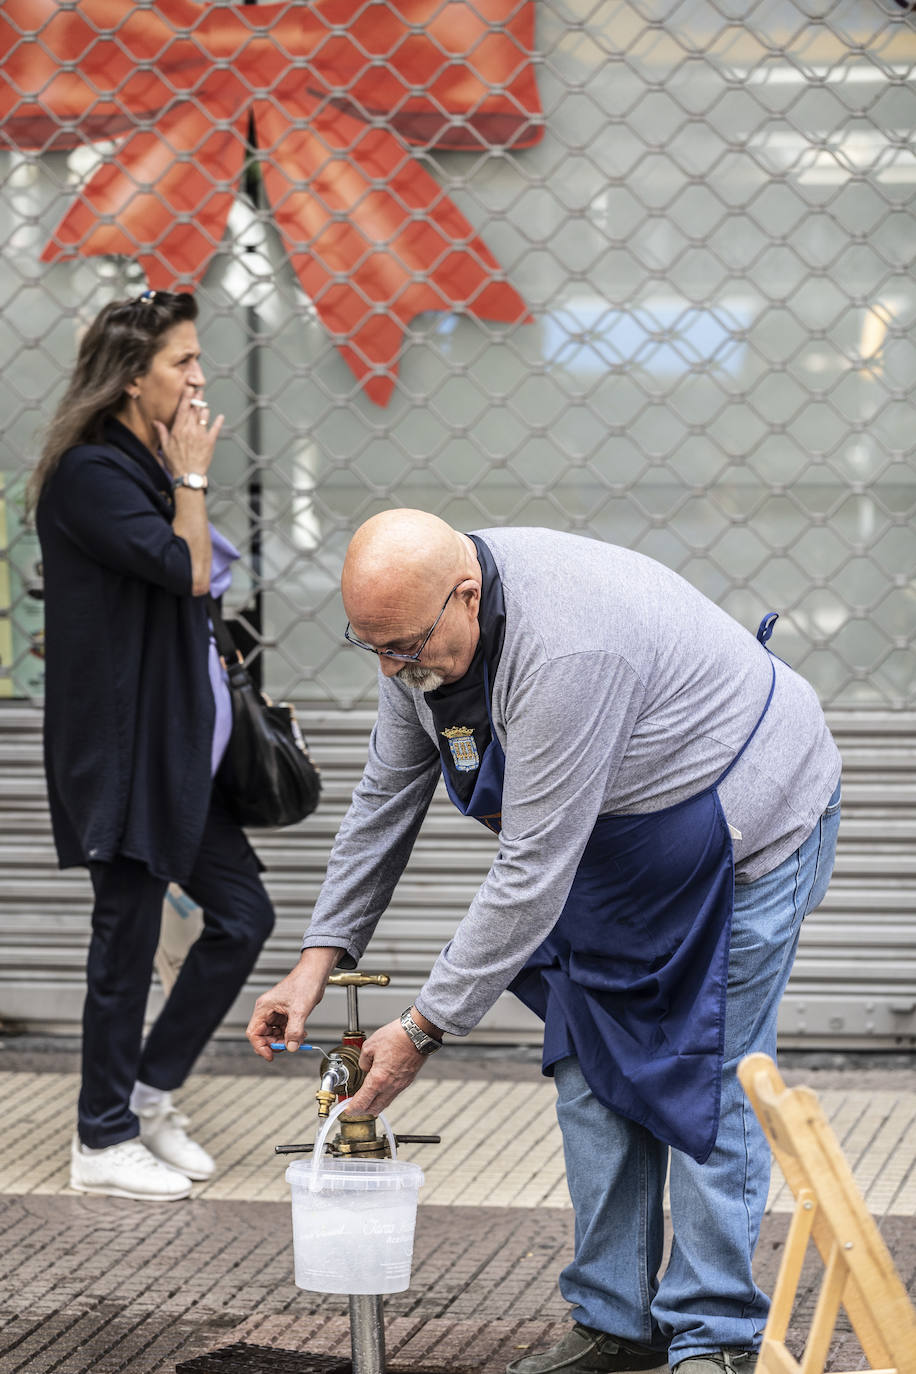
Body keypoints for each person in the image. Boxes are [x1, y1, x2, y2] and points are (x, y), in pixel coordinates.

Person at [247, 509, 841, 1374]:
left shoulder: (565, 650)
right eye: (370, 647)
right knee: (589, 1074)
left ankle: (713, 1334)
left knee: (712, 1078)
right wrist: (317, 959)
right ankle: (615, 1320)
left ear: (467, 596)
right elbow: (385, 797)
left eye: (403, 647)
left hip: (749, 834)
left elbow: (530, 870)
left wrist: (421, 1028)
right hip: (612, 859)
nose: (390, 669)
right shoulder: (415, 630)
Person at [32, 289, 276, 1202]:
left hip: (177, 750)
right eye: (183, 360)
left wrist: (182, 478)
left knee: (243, 915)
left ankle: (144, 1094)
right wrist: (195, 480)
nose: (201, 376)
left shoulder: (143, 465)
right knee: (125, 941)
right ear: (134, 378)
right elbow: (188, 571)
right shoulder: (92, 474)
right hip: (124, 748)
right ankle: (100, 1140)